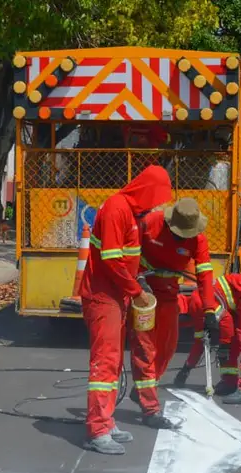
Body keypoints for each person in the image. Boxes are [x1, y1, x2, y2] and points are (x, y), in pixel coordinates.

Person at [80, 165, 172, 455]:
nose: (155, 205)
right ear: (146, 190)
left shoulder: (130, 213)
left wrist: (133, 287)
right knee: (105, 364)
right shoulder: (116, 210)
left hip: (116, 297)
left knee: (114, 362)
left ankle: (106, 422)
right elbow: (110, 259)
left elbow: (128, 258)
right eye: (155, 198)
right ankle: (97, 429)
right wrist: (137, 291)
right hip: (103, 297)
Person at [128, 198, 218, 425]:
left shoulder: (198, 239)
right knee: (145, 347)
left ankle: (143, 390)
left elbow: (205, 275)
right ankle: (150, 409)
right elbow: (129, 253)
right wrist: (138, 281)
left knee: (168, 346)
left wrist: (209, 311)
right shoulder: (149, 223)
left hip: (169, 295)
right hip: (143, 294)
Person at [175, 273, 241, 404]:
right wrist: (186, 368)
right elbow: (199, 343)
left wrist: (223, 346)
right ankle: (229, 382)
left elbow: (226, 321)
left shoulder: (197, 303)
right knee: (232, 340)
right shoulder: (193, 308)